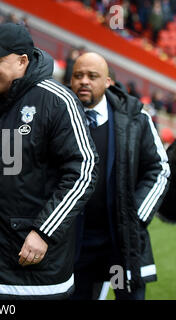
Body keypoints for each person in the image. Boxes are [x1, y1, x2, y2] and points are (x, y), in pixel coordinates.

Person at [0, 22, 98, 300]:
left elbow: (83, 172)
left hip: (36, 273)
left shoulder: (58, 101)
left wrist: (44, 232)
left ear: (22, 61)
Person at [69, 52, 170, 300]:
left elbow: (159, 168)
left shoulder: (135, 119)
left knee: (127, 295)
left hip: (121, 242)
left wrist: (135, 216)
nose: (84, 81)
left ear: (108, 82)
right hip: (76, 243)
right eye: (78, 75)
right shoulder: (59, 117)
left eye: (92, 76)